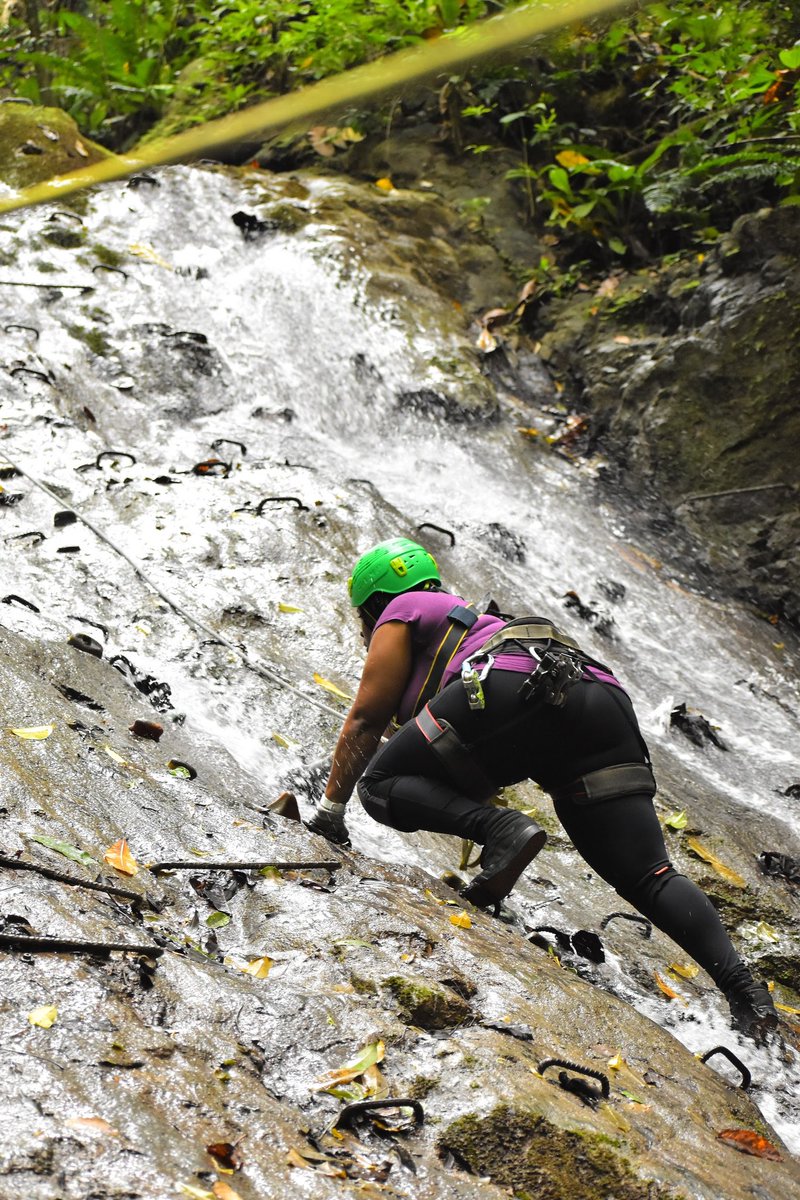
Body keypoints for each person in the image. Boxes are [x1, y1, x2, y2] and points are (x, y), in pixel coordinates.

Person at [307, 537, 778, 1038]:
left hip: (512, 686)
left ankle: (505, 831)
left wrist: (330, 811)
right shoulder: (466, 627)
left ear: (374, 603)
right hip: (597, 699)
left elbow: (364, 718)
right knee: (649, 876)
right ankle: (749, 1001)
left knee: (378, 783)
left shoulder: (401, 609)